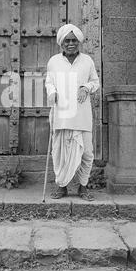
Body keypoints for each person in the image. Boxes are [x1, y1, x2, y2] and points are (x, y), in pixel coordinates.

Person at [45, 23, 99, 200]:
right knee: (60, 152)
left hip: (82, 115)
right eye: (67, 40)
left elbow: (95, 82)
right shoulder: (54, 61)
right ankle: (62, 186)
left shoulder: (87, 61)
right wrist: (52, 92)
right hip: (62, 114)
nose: (70, 44)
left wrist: (86, 87)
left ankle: (83, 187)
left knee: (87, 153)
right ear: (61, 43)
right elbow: (49, 82)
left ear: (79, 42)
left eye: (74, 40)